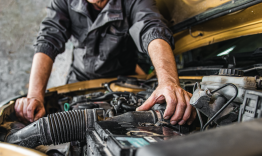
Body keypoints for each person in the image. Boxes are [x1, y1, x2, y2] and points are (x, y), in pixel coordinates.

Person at [15, 0, 196, 126]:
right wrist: (35, 96)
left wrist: (168, 82)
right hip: (79, 80)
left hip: (124, 82)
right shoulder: (63, 1)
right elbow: (48, 40)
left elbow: (151, 28)